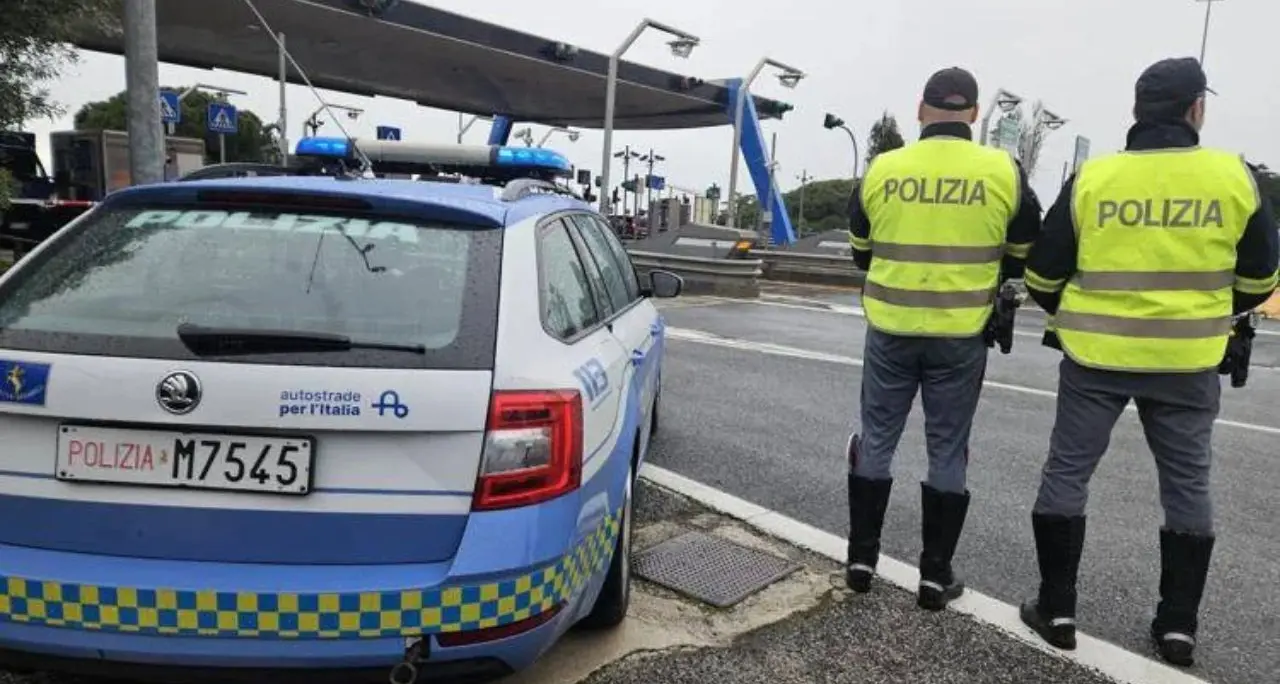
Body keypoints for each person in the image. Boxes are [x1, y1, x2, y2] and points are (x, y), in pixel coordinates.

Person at [1019, 57, 1279, 667]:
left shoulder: (1095, 178)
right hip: (1189, 359)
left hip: (1094, 355)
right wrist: (1206, 311)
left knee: (1067, 474)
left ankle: (1056, 609)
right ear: (1196, 109)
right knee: (1188, 485)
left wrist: (1080, 311)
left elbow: (1041, 273)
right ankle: (1177, 627)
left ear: (1137, 112)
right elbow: (1261, 276)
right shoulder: (1232, 176)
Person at [845, 67, 1043, 610]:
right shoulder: (1004, 170)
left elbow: (861, 249)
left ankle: (861, 561)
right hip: (960, 334)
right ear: (975, 113)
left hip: (889, 328)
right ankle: (934, 578)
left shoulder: (884, 168)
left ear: (920, 108)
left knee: (877, 439)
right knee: (948, 450)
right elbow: (1025, 248)